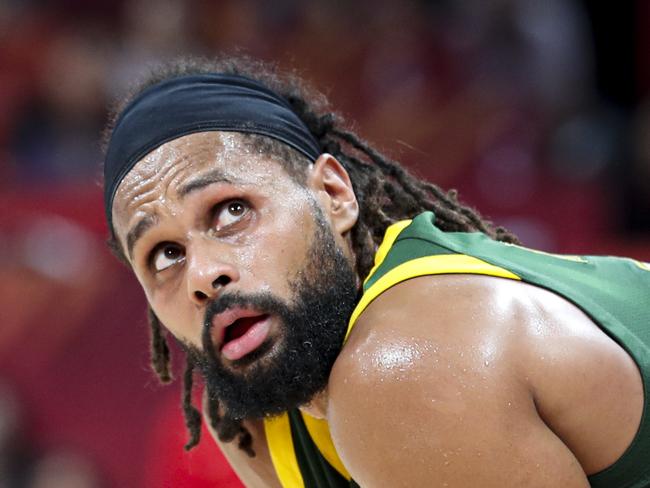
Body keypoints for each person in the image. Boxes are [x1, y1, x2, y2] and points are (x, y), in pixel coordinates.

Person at [102, 56, 649, 488]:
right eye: (164, 254)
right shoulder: (252, 418)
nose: (202, 274)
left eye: (231, 211)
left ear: (333, 195)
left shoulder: (406, 367)